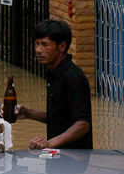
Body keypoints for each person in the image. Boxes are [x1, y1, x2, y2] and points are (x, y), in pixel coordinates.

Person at [15, 19, 93, 149]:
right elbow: (58, 117)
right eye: (37, 44)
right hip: (57, 156)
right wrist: (28, 113)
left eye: (45, 45)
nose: (38, 50)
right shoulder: (54, 73)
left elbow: (83, 124)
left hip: (75, 160)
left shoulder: (73, 77)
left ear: (62, 46)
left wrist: (50, 143)